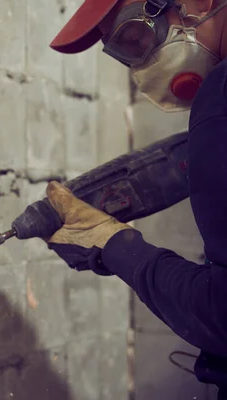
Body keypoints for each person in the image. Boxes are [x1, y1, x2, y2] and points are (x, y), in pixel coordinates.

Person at [45, 0, 227, 397]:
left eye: (136, 39)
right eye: (124, 55)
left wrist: (116, 246)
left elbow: (223, 316)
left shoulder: (222, 96)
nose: (141, 70)